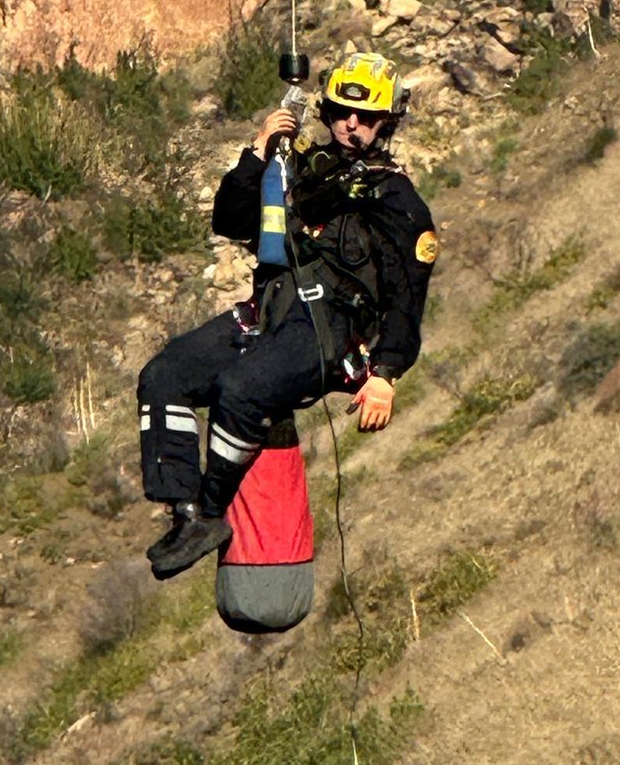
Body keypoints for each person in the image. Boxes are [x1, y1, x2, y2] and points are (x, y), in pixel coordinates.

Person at [138, 52, 438, 579]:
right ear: (326, 111)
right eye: (344, 112)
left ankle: (211, 513)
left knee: (240, 389)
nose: (353, 125)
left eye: (367, 119)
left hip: (332, 333)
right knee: (164, 376)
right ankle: (184, 511)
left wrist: (387, 374)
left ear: (386, 123)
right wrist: (257, 153)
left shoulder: (396, 197)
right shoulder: (296, 169)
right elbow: (232, 221)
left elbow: (409, 297)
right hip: (270, 313)